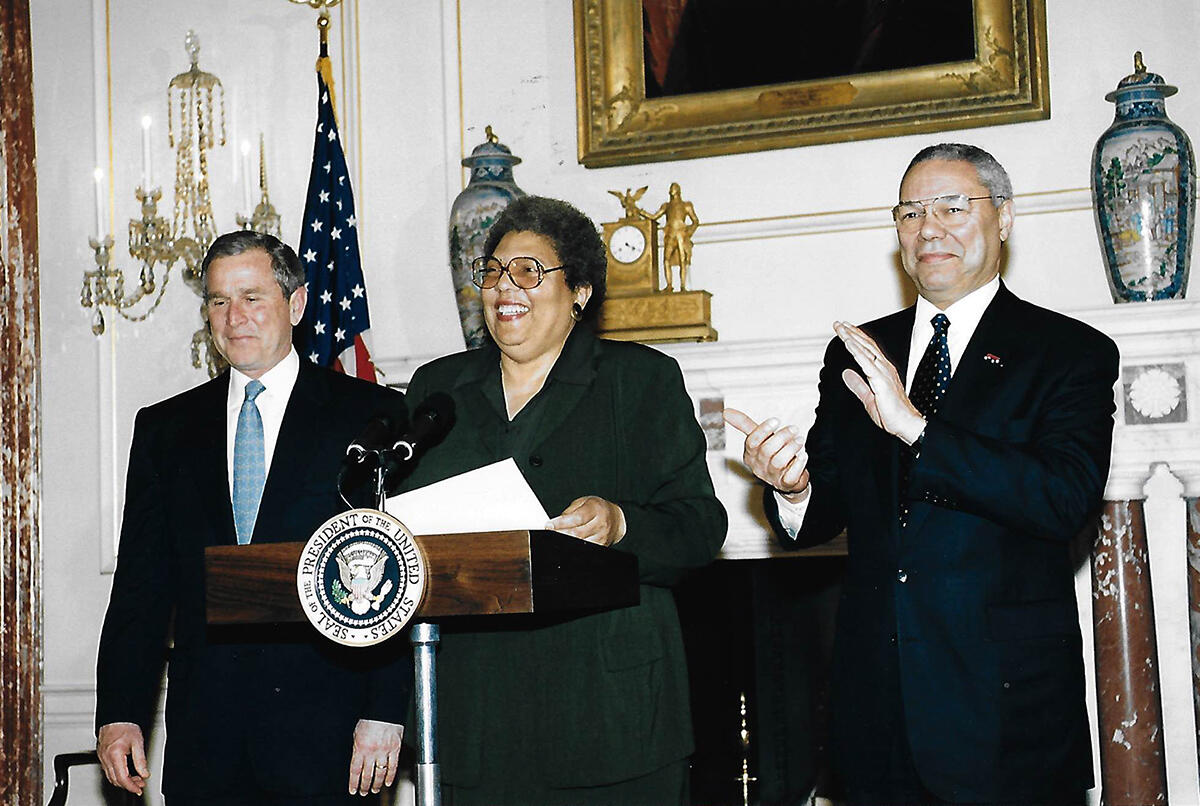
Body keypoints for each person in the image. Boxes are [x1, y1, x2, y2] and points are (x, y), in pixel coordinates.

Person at [725, 144, 1118, 806]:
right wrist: (792, 488)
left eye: (951, 207)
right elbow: (823, 517)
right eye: (910, 213)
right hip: (877, 717)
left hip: (1006, 720)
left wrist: (917, 429)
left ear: (1005, 218)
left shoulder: (1069, 352)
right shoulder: (859, 350)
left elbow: (1063, 499)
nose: (928, 228)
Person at [401, 195, 727, 805]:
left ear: (579, 291)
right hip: (475, 720)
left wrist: (621, 522)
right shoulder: (436, 388)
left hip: (610, 720)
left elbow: (699, 527)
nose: (505, 286)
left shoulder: (641, 381)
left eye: (529, 270)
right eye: (493, 270)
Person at [95, 231, 411, 805]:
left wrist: (386, 711)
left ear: (295, 304)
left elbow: (398, 578)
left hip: (331, 737)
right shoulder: (165, 430)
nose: (233, 317)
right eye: (218, 301)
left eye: (252, 297)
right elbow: (141, 585)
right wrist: (119, 712)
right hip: (206, 738)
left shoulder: (372, 417)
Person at [647, 182, 700, 292]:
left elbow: (695, 221)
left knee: (682, 261)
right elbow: (654, 216)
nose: (671, 190)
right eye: (671, 188)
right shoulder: (666, 206)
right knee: (666, 260)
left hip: (681, 235)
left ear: (678, 190)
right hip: (670, 235)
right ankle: (669, 285)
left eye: (674, 188)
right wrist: (640, 211)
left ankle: (682, 286)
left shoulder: (686, 205)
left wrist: (689, 233)